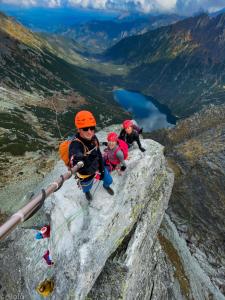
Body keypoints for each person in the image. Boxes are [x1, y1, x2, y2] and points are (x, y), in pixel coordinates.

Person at [69, 110, 114, 201]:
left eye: (92, 128)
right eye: (85, 129)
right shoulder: (75, 145)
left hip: (97, 167)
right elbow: (75, 154)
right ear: (79, 129)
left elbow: (98, 154)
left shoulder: (93, 138)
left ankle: (106, 185)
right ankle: (87, 192)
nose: (90, 132)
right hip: (86, 174)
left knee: (109, 180)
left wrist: (101, 169)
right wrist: (79, 157)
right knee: (87, 187)